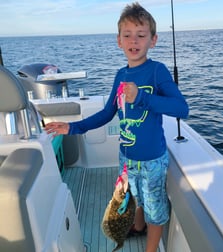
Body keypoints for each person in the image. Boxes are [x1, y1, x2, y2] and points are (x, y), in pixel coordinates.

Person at [45, 2, 189, 252]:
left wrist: (142, 98)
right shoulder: (120, 75)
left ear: (152, 40)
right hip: (126, 157)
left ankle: (150, 249)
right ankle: (138, 225)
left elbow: (181, 108)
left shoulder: (157, 71)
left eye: (141, 35)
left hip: (153, 159)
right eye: (127, 35)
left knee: (155, 208)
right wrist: (73, 128)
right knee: (132, 198)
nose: (134, 41)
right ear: (118, 41)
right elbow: (107, 112)